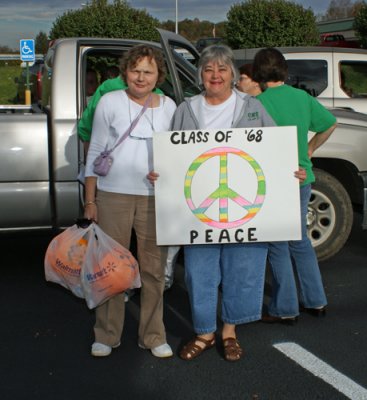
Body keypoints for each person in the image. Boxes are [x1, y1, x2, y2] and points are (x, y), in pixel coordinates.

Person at [149, 45, 275, 362]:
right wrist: (161, 174)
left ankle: (229, 331)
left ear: (232, 73)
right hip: (199, 209)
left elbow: (275, 148)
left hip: (244, 209)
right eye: (208, 69)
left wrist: (291, 171)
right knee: (198, 272)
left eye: (221, 69)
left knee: (240, 268)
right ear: (200, 75)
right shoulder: (186, 109)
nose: (215, 75)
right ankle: (205, 331)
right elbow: (172, 154)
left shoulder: (253, 108)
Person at [84, 44, 177, 358]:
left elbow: (179, 155)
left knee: (153, 269)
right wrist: (90, 200)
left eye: (148, 71)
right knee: (111, 269)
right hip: (113, 197)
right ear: (125, 72)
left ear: (158, 76)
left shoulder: (169, 107)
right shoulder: (110, 102)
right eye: (135, 70)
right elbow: (95, 151)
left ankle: (153, 335)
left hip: (155, 199)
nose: (141, 77)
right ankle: (106, 335)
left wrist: (167, 173)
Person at [252, 48, 337, 323]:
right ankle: (316, 300)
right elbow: (329, 123)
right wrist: (310, 149)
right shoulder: (301, 97)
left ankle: (285, 308)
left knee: (278, 244)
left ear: (257, 73)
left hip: (273, 181)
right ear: (284, 71)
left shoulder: (256, 104)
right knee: (300, 241)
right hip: (301, 177)